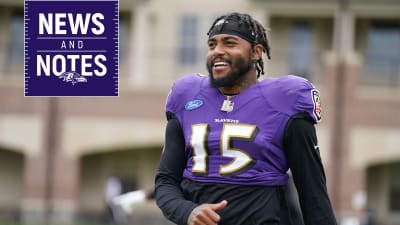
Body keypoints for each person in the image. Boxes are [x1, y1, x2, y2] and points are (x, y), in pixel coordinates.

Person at [155, 12, 337, 225]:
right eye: (212, 45)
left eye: (229, 43)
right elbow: (166, 181)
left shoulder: (286, 100)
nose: (218, 51)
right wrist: (187, 211)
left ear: (256, 52)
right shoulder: (187, 96)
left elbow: (312, 192)